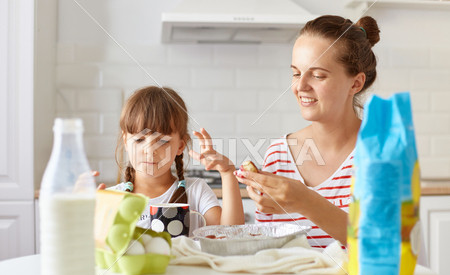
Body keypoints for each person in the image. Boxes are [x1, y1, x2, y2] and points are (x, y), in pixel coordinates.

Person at [235, 15, 380, 248]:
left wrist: (305, 201)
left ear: (355, 83)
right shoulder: (279, 155)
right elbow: (264, 251)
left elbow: (383, 246)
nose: (300, 86)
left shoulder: (382, 152)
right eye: (296, 73)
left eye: (318, 75)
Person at [106, 86, 244, 229]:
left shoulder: (196, 191)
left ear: (180, 146)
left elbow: (229, 235)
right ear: (126, 142)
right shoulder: (110, 199)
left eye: (163, 141)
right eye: (139, 140)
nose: (150, 150)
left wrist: (228, 173)